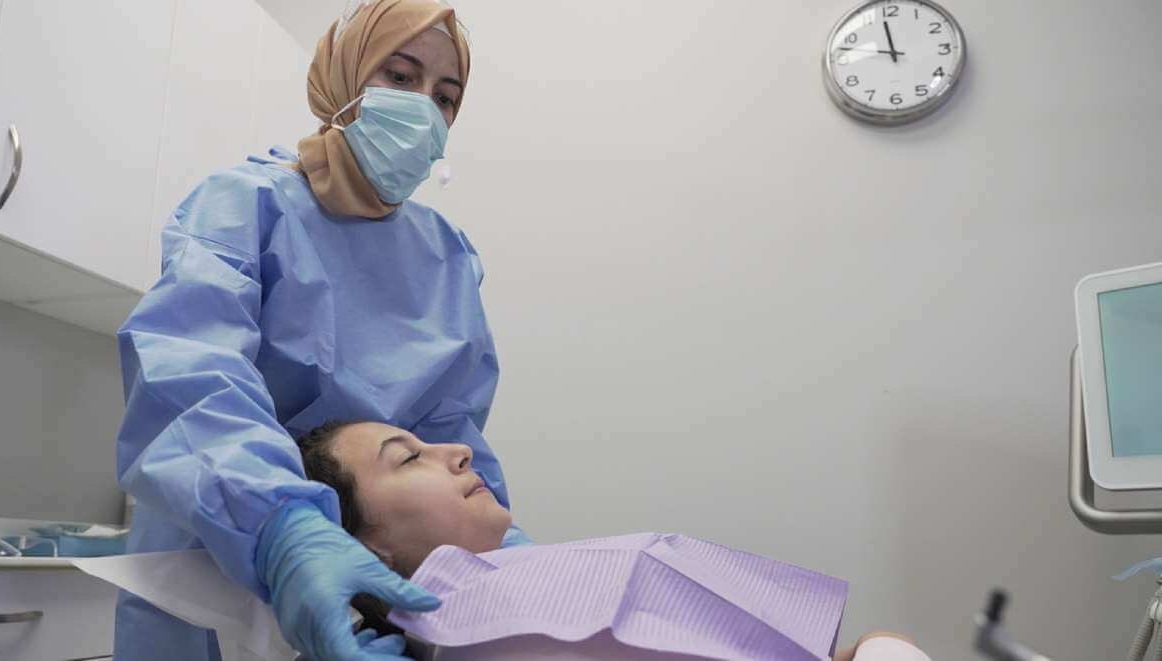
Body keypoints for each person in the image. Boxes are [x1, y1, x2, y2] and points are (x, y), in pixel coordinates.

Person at [113, 2, 528, 660]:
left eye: (445, 98)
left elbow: (452, 435)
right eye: (399, 74)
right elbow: (187, 374)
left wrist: (498, 549)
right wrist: (284, 530)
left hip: (383, 597)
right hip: (213, 574)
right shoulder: (245, 205)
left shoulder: (445, 259)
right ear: (342, 76)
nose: (423, 109)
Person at [295, 420, 928, 661]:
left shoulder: (546, 586)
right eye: (407, 459)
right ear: (360, 551)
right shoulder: (478, 641)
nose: (459, 451)